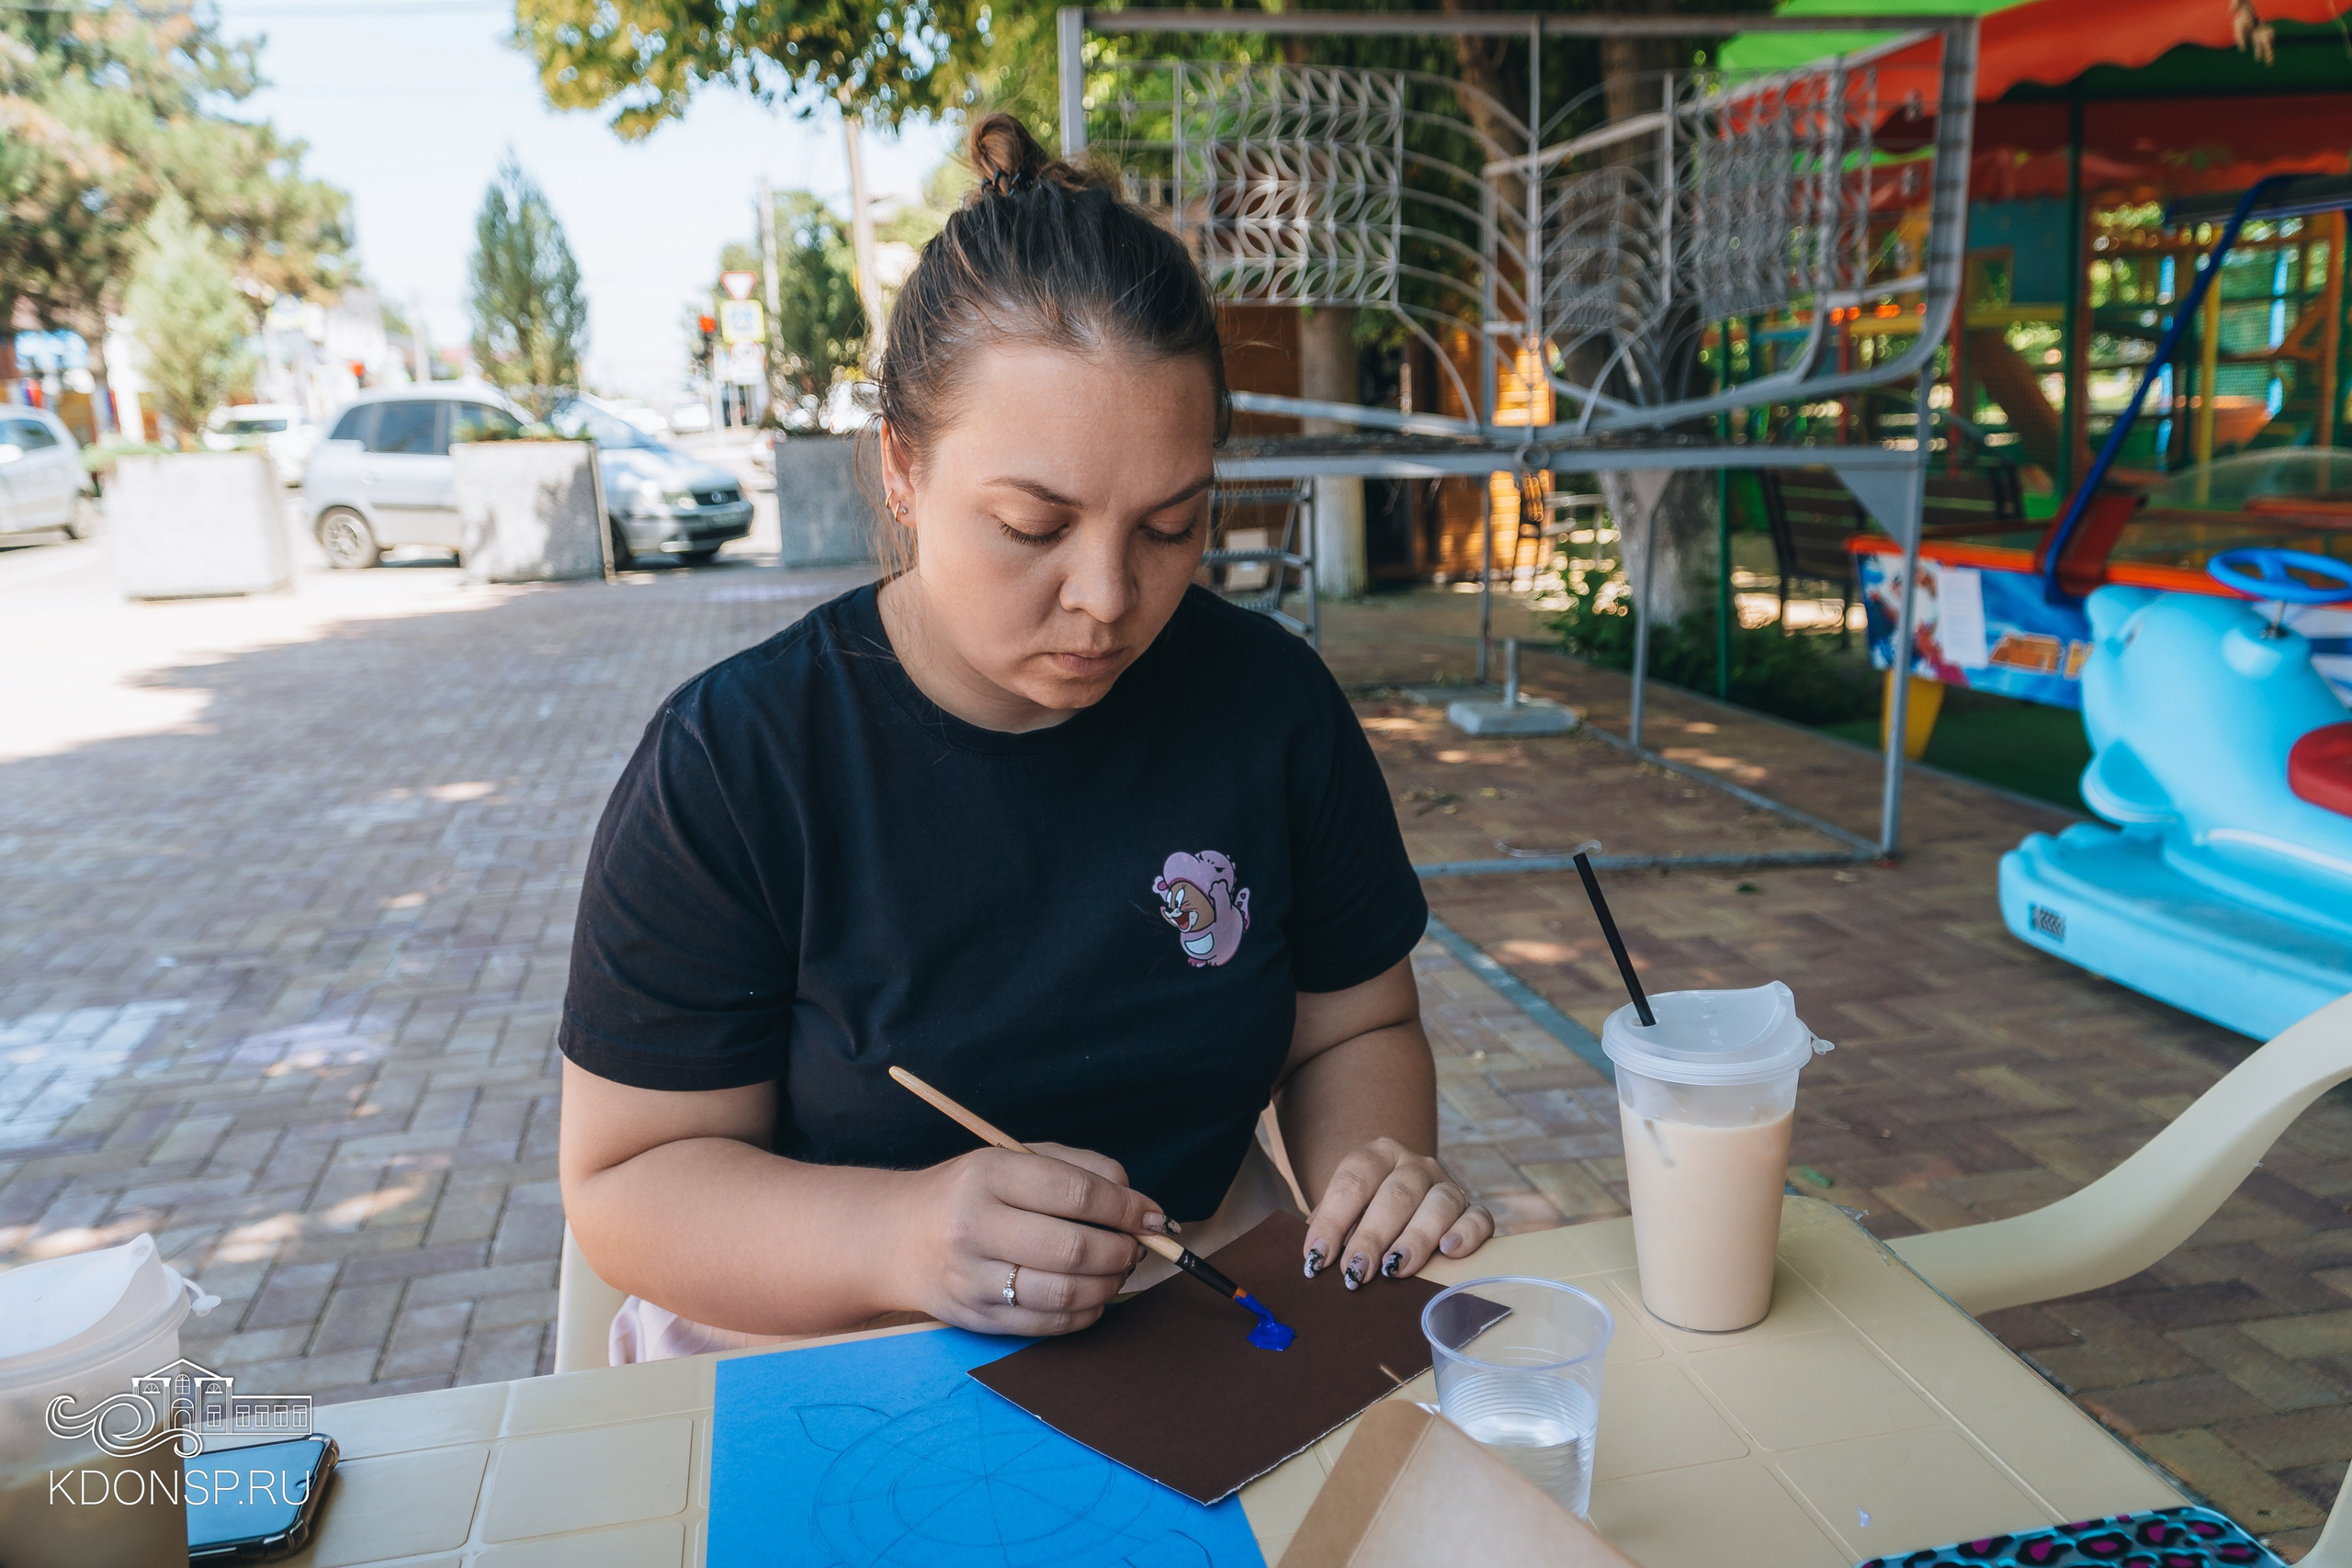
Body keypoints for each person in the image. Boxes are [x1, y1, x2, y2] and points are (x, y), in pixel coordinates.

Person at [558, 112, 1493, 1362]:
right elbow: (628, 1183)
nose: (1107, 598)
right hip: (827, 1339)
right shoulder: (735, 764)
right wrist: (904, 1236)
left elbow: (1356, 1028)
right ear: (901, 469)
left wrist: (1372, 1172)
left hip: (1205, 1305)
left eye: (1170, 527)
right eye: (1034, 527)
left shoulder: (1270, 708)